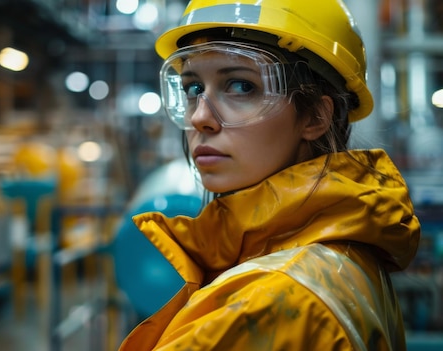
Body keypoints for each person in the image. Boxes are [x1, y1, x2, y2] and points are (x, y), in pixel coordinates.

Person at [118, 0, 421, 350]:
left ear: (315, 118)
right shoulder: (350, 255)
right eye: (193, 88)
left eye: (241, 86)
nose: (201, 116)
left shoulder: (266, 303)